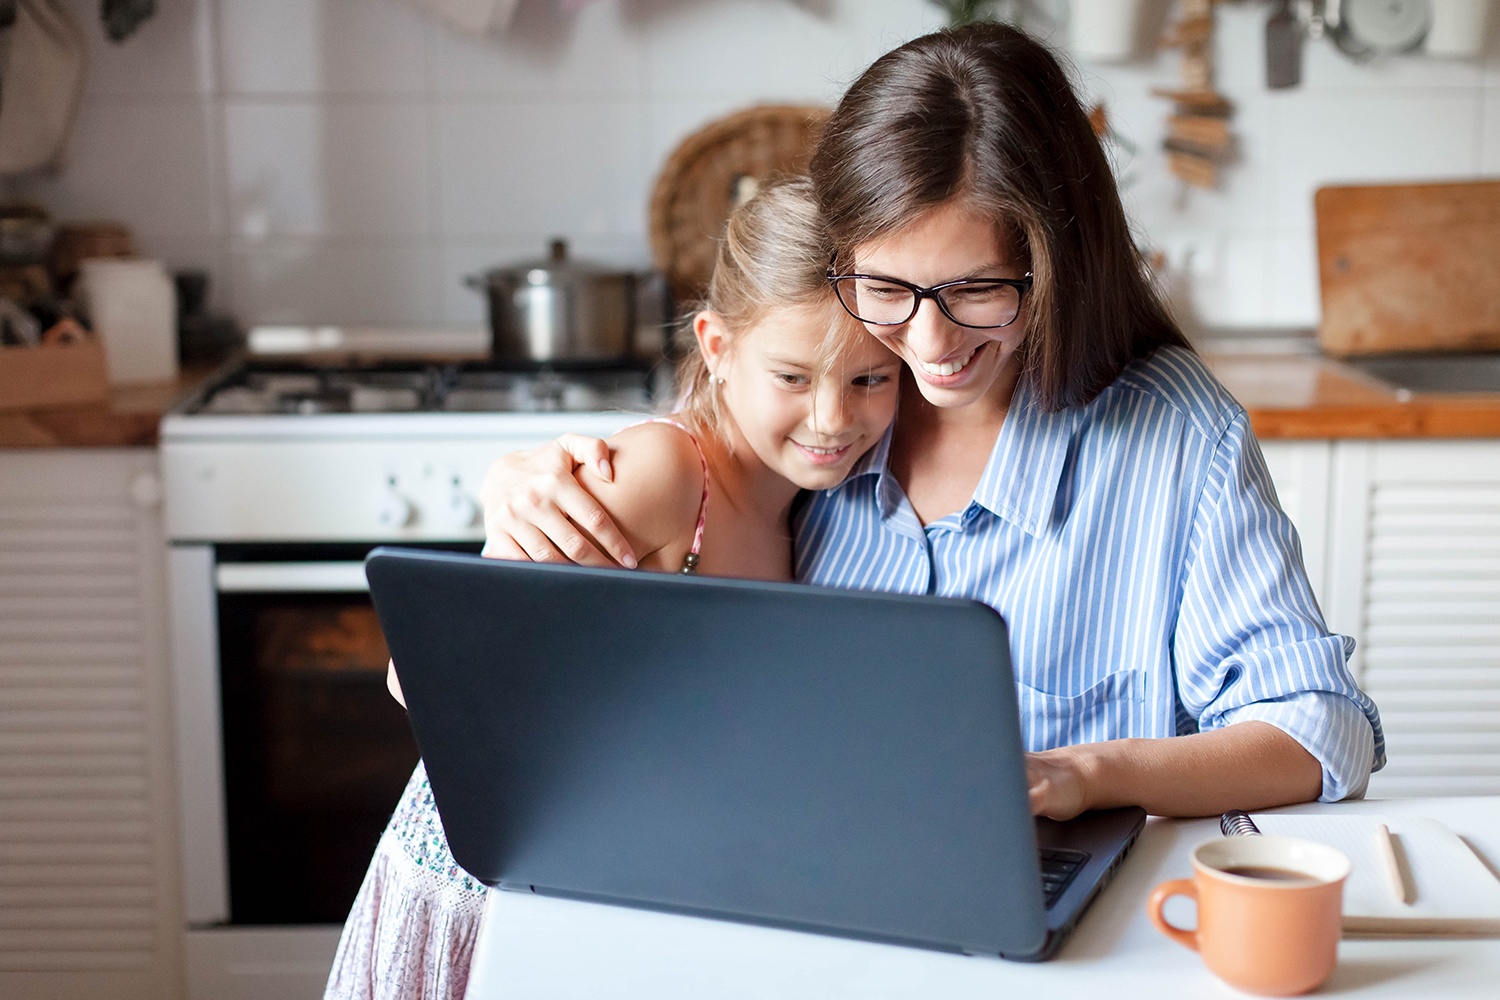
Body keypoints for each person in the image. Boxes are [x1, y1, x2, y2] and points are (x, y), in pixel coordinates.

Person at [477, 22, 1386, 822]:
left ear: (1055, 263)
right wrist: (519, 487)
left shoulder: (1175, 435)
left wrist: (1090, 772)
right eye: (888, 289)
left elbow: (1319, 728)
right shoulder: (841, 398)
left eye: (976, 290)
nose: (930, 342)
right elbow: (690, 471)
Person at [323, 176, 902, 1000]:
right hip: (487, 885)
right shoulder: (667, 475)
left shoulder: (807, 508)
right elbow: (421, 676)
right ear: (717, 345)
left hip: (612, 883)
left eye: (870, 381)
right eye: (793, 377)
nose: (832, 419)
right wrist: (499, 541)